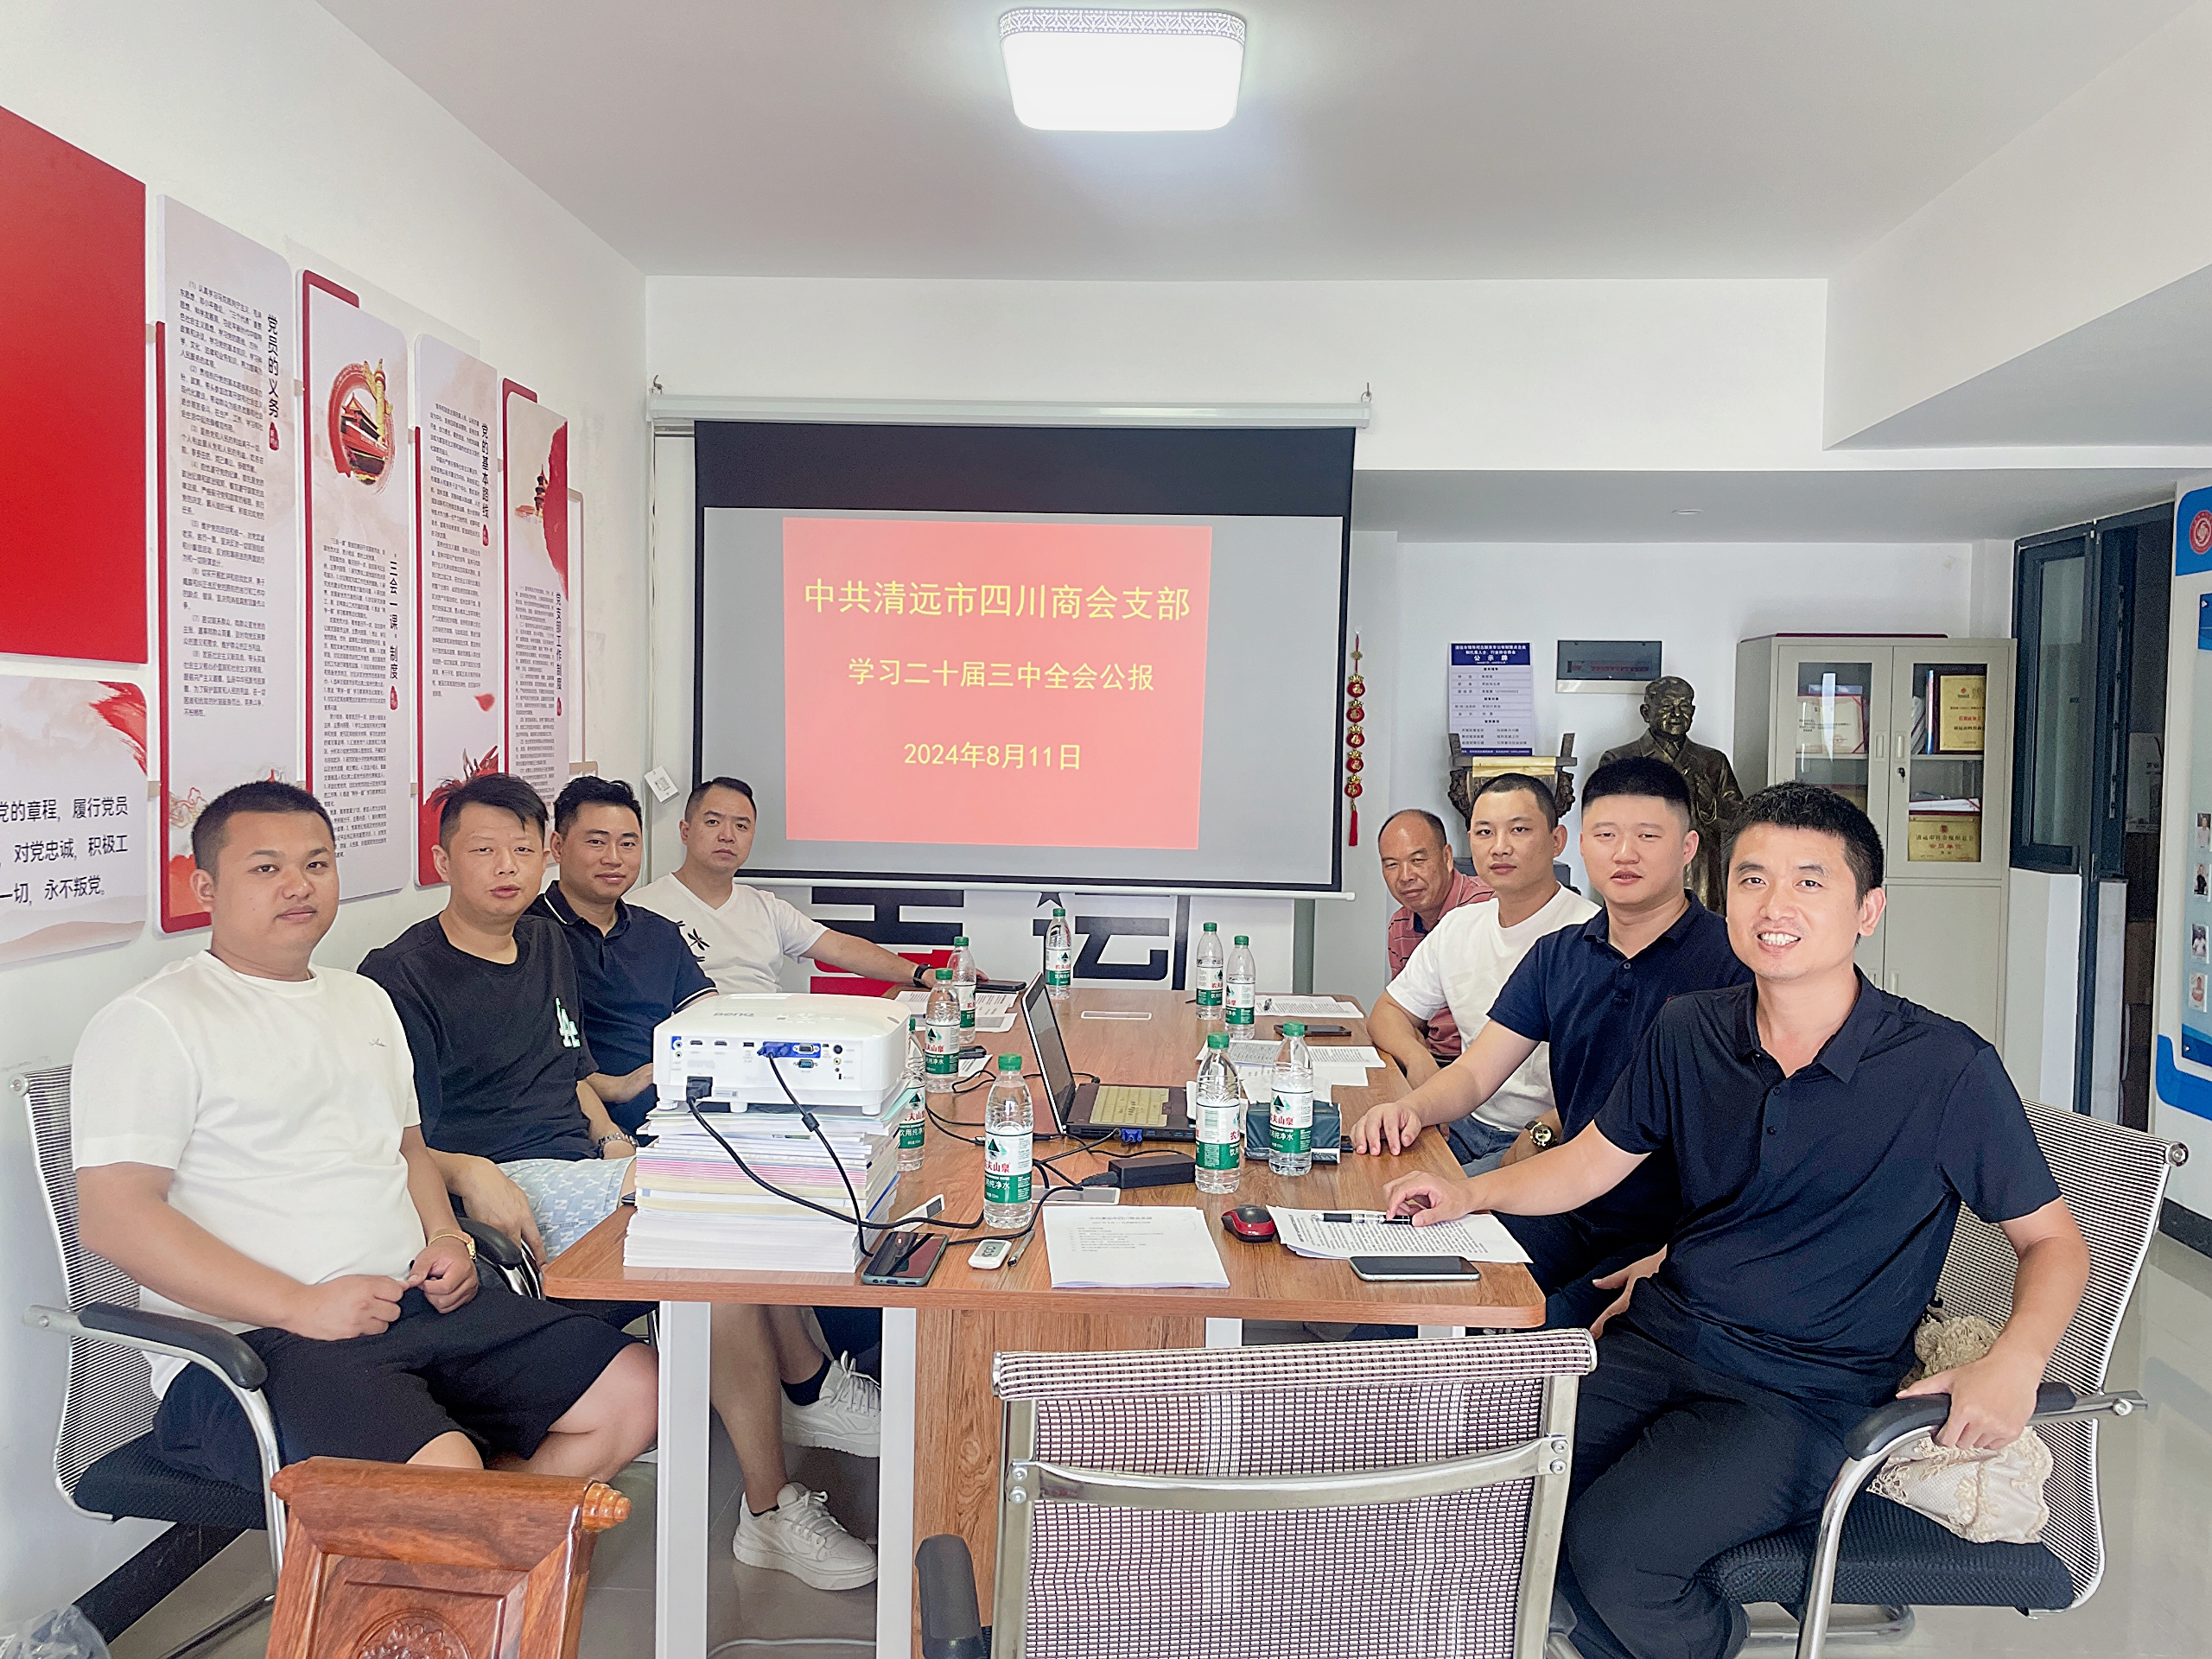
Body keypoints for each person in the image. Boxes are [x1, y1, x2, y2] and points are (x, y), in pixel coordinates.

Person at [1384, 783, 2088, 1659]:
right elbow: (1593, 1160)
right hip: (1659, 1340)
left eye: (1808, 882)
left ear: (1867, 912)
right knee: (1482, 1496)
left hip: (1802, 1394)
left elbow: (2052, 1241)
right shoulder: (1691, 1030)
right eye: (1752, 879)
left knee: (1619, 1558)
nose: (1774, 905)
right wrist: (1471, 1194)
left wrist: (2015, 1364)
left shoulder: (1943, 1067)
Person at [363, 772, 878, 1591]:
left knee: (744, 1193)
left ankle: (803, 1399)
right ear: (442, 861)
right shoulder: (400, 974)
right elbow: (399, 1135)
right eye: (485, 850)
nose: (507, 866)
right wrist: (472, 1173)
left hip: (576, 1162)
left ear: (541, 855)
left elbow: (569, 1070)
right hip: (501, 1184)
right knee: (711, 1229)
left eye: (520, 849)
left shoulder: (546, 945)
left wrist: (608, 1137)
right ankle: (773, 1497)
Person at [71, 781, 657, 1491]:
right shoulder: (155, 1020)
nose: (298, 885)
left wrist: (448, 1238)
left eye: (316, 864)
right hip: (253, 1348)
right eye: (266, 868)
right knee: (446, 1473)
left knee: (637, 1391)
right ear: (205, 887)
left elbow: (406, 1150)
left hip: (414, 1308)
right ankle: (465, 1533)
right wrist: (299, 1304)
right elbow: (114, 1217)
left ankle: (470, 1537)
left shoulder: (362, 999)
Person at [1351, 757, 1749, 1326]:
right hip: (1564, 1200)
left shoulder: (1733, 963)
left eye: (1647, 836)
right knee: (1406, 1291)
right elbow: (1476, 1073)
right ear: (1583, 846)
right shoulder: (1560, 955)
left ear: (1688, 848)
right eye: (1606, 836)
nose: (1625, 854)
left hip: (1670, 1233)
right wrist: (1412, 1108)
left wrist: (1679, 1256)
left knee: (1524, 1340)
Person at [1367, 775, 1597, 1172]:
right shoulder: (1460, 925)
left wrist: (1545, 1131)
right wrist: (1419, 1064)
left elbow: (1615, 1080)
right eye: (1485, 832)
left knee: (1423, 1203)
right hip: (1464, 1118)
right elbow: (1388, 1011)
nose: (1500, 847)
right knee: (1364, 1168)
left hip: (1550, 1139)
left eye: (1519, 830)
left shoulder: (1592, 936)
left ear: (1557, 840)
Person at [633, 777, 975, 994]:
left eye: (741, 826)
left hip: (768, 1045)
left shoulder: (766, 908)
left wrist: (921, 973)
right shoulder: (641, 910)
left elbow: (840, 949)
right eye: (712, 822)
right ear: (685, 831)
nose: (727, 835)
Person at [532, 774, 717, 1135]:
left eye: (628, 844)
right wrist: (617, 1087)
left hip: (671, 1114)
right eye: (596, 842)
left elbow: (707, 1017)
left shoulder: (659, 933)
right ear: (557, 846)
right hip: (571, 1125)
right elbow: (534, 1060)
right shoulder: (529, 935)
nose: (614, 858)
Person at [1376, 806, 1493, 1064]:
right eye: (1392, 865)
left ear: (1447, 857)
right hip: (1433, 1059)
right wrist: (1419, 1060)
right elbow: (1403, 1015)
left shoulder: (1487, 907)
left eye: (1418, 861)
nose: (1405, 876)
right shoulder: (1400, 924)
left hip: (1485, 1065)